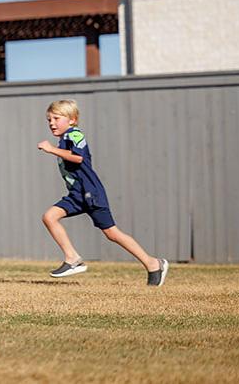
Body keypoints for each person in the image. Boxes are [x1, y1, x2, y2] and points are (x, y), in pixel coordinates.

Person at [37, 99, 169, 286]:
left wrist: (52, 150)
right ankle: (72, 258)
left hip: (91, 193)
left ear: (72, 120)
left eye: (56, 118)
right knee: (49, 217)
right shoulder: (63, 139)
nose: (51, 123)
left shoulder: (74, 135)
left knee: (112, 233)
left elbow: (78, 158)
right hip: (77, 194)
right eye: (49, 120)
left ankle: (153, 264)